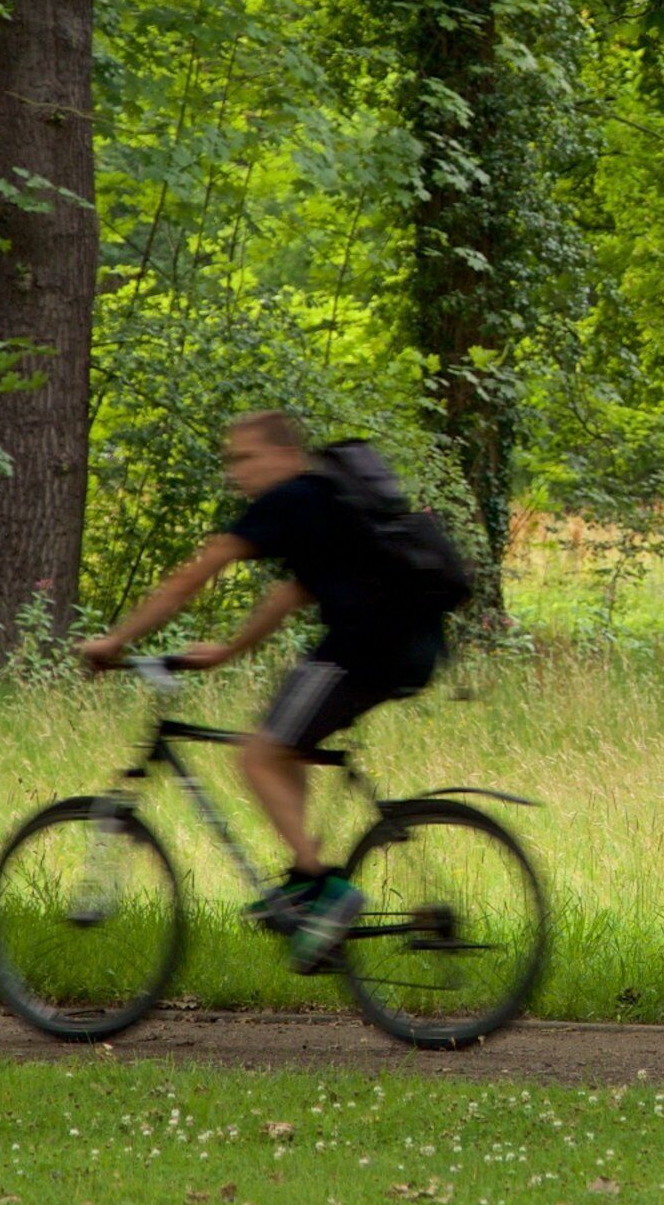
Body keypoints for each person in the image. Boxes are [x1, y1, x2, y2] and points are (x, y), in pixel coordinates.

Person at [75, 409, 450, 967]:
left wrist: (115, 642)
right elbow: (289, 594)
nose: (236, 472)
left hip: (365, 650)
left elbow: (191, 578)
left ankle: (327, 891)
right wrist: (227, 651)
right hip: (403, 647)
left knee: (257, 755)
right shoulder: (322, 500)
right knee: (283, 737)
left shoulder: (291, 498)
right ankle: (304, 878)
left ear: (282, 454)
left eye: (245, 458)